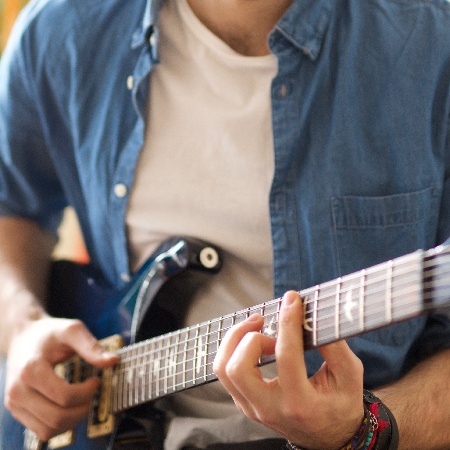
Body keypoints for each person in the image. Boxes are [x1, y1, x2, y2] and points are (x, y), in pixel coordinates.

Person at [0, 0, 449, 449]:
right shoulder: (61, 29)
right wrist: (22, 328)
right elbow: (10, 208)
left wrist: (362, 430)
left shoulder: (433, 39)